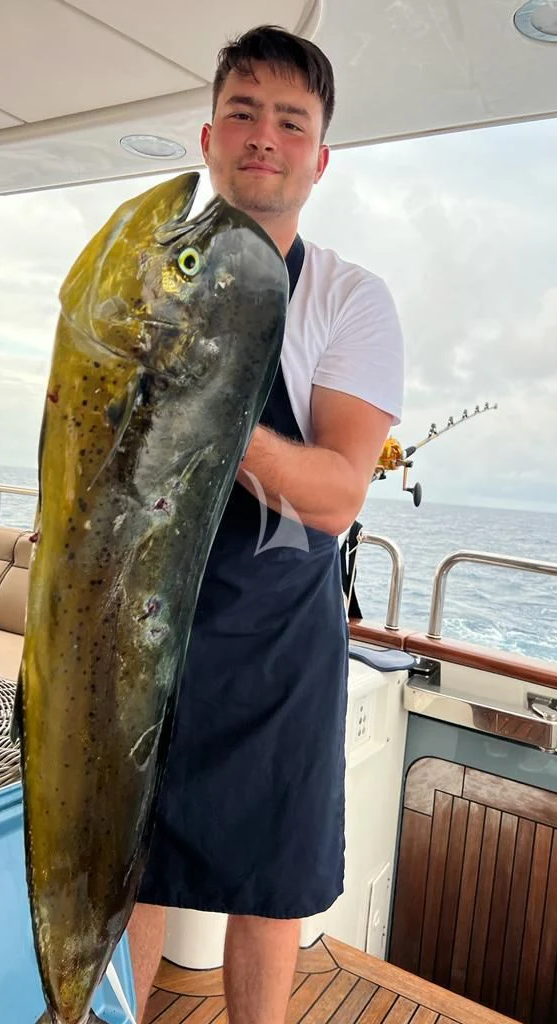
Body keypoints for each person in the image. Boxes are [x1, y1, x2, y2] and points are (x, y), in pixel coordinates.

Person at [128, 24, 405, 1024]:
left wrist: (212, 402)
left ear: (318, 158)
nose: (264, 135)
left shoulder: (349, 300)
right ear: (209, 136)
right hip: (150, 626)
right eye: (243, 112)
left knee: (271, 892)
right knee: (133, 871)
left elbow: (335, 491)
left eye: (291, 121)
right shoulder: (151, 283)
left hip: (281, 640)